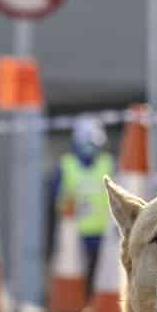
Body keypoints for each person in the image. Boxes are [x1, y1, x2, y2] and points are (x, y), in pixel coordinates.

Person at [49, 117, 114, 289]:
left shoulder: (108, 163)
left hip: (103, 234)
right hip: (74, 235)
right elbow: (56, 198)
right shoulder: (66, 165)